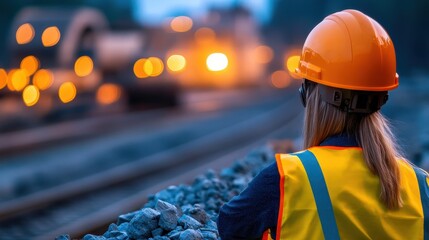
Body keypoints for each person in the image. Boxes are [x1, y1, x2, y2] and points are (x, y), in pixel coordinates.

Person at [217, 9, 428, 240]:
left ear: (309, 95)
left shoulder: (287, 178)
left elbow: (230, 226)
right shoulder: (421, 186)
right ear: (381, 97)